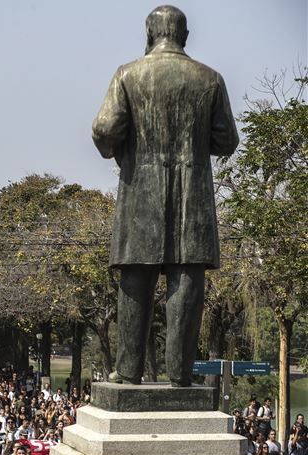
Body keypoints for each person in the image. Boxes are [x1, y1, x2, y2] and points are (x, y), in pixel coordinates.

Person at [92, 5, 239, 387]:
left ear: (149, 34)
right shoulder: (210, 79)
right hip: (193, 200)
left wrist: (123, 149)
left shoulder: (127, 75)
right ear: (184, 36)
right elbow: (227, 141)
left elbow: (105, 129)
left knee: (135, 280)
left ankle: (128, 371)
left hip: (140, 195)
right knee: (187, 281)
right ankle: (180, 374)